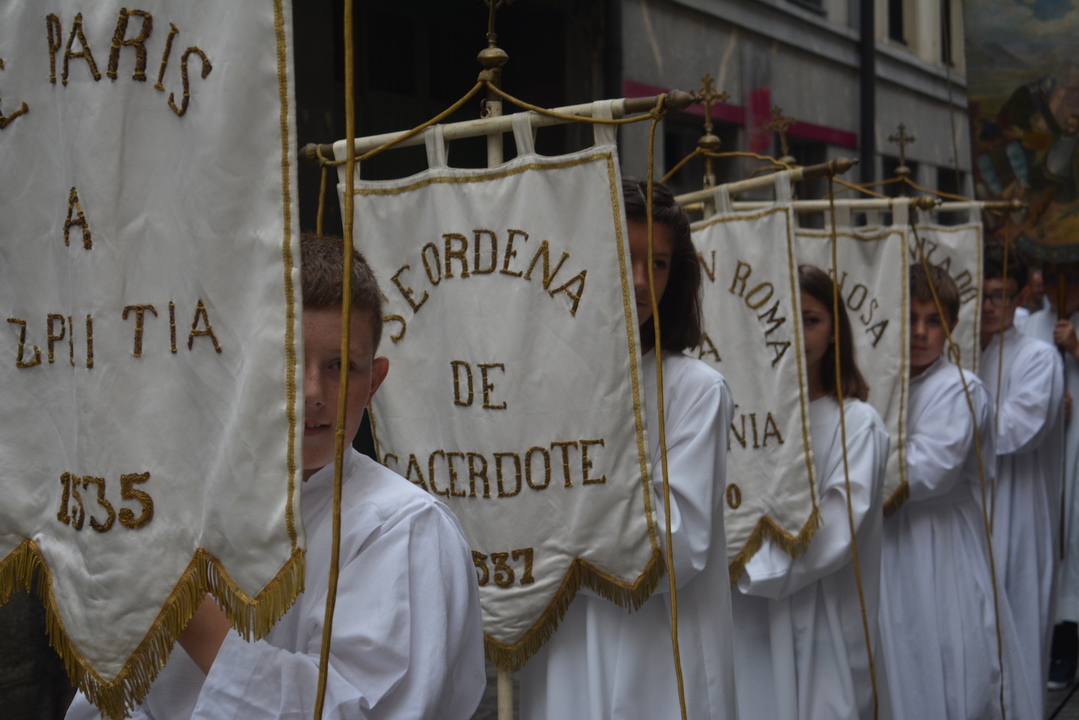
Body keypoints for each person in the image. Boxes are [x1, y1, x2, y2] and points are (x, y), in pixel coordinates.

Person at [66, 233, 486, 719]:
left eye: (340, 366)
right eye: (287, 359)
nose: (312, 391)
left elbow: (355, 711)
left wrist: (178, 598)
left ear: (373, 382)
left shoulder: (404, 527)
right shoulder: (185, 506)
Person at [517, 179, 738, 720]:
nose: (639, 281)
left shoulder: (695, 390)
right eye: (625, 256)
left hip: (656, 651)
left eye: (657, 264)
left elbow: (677, 543)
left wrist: (555, 525)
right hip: (565, 641)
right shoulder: (544, 381)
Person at [730, 265, 889, 720]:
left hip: (819, 615)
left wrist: (742, 566)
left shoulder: (856, 424)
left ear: (836, 330)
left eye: (811, 320)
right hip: (743, 618)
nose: (796, 334)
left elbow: (836, 531)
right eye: (783, 319)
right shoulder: (739, 416)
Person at [879, 262, 1035, 719]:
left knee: (949, 652)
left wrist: (855, 462)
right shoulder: (885, 383)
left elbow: (929, 473)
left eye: (933, 321)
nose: (920, 332)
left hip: (939, 540)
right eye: (911, 318)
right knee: (898, 655)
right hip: (889, 541)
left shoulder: (961, 388)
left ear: (950, 326)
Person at [978, 243, 1064, 714]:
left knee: (1019, 631)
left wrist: (953, 418)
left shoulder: (1038, 356)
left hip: (1019, 512)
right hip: (972, 512)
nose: (989, 306)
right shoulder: (964, 352)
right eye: (982, 295)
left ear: (1020, 298)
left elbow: (1016, 430)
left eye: (1000, 296)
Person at [1018, 262, 1079, 688]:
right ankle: (1050, 640)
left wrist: (1076, 348)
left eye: (1070, 279)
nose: (1060, 288)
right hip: (1046, 457)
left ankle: (1069, 639)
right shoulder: (1031, 326)